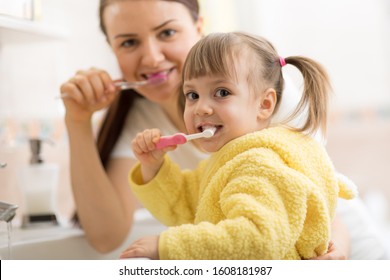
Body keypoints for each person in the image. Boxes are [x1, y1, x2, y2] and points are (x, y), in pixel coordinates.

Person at [60, 0, 387, 259]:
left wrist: (337, 252)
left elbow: (312, 202)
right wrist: (77, 120)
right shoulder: (138, 117)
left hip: (347, 252)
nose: (152, 56)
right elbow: (110, 235)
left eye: (167, 33)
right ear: (113, 50)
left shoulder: (264, 94)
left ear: (198, 26)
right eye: (129, 42)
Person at [119, 32, 356, 260]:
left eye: (221, 92)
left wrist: (167, 246)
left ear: (264, 104)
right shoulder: (229, 162)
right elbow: (184, 206)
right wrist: (153, 167)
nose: (201, 108)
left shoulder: (259, 167)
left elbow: (258, 240)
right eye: (192, 95)